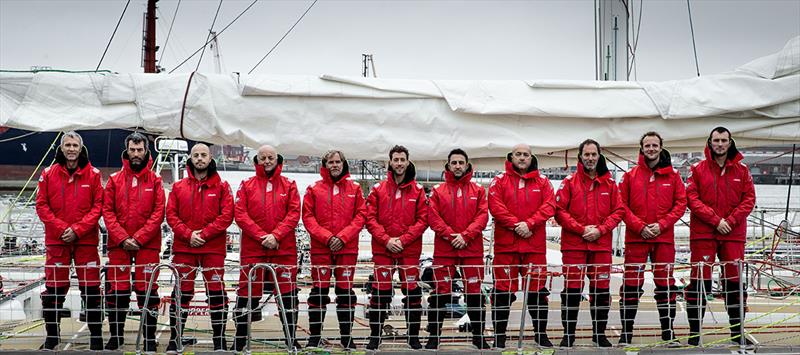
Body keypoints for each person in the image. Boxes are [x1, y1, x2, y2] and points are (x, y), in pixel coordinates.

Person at [685, 127, 756, 346]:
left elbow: (749, 199)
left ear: (730, 142)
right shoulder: (697, 169)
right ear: (710, 142)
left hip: (733, 235)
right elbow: (692, 198)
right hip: (704, 234)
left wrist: (730, 221)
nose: (720, 144)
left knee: (734, 284)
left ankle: (737, 332)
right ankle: (695, 334)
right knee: (699, 283)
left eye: (724, 140)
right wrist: (716, 220)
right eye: (716, 140)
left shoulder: (742, 171)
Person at [36, 131, 104, 350]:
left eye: (75, 145)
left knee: (91, 290)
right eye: (68, 145)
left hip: (86, 241)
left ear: (81, 148)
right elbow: (41, 205)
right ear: (62, 148)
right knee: (54, 290)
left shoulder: (93, 175)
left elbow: (98, 207)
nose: (71, 149)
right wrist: (62, 228)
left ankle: (96, 337)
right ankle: (52, 337)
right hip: (57, 241)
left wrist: (77, 229)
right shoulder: (48, 174)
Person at [618, 131, 686, 346]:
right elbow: (621, 206)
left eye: (654, 145)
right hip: (636, 239)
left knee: (666, 285)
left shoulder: (673, 176)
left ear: (661, 147)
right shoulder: (630, 176)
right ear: (641, 148)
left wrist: (662, 225)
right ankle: (626, 334)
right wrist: (640, 227)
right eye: (647, 145)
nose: (651, 149)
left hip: (663, 239)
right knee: (630, 286)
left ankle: (668, 332)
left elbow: (680, 204)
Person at [555, 139, 625, 348]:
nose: (590, 158)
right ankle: (568, 335)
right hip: (574, 245)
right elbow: (559, 211)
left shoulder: (610, 184)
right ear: (580, 156)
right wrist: (581, 229)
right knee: (572, 291)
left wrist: (601, 230)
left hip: (601, 246)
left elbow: (619, 211)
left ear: (599, 156)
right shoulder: (568, 182)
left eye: (594, 154)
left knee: (601, 291)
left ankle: (599, 334)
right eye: (586, 154)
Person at [232, 145, 302, 351]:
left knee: (288, 296)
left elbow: (293, 213)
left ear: (277, 159)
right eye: (263, 157)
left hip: (284, 249)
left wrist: (276, 235)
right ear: (257, 160)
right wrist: (262, 236)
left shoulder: (289, 185)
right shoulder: (246, 185)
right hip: (254, 249)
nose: (267, 161)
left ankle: (292, 338)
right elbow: (240, 214)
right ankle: (240, 338)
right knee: (247, 295)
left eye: (270, 157)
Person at [165, 143, 234, 352]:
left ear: (210, 158)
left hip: (212, 248)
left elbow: (226, 215)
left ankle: (219, 340)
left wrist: (203, 235)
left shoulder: (222, 187)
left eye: (203, 155)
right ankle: (175, 338)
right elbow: (171, 215)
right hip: (185, 248)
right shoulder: (178, 187)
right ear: (191, 158)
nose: (200, 159)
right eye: (196, 155)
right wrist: (188, 235)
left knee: (216, 293)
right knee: (182, 294)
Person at [487, 143, 556, 349]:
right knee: (502, 293)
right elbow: (495, 206)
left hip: (534, 247)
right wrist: (517, 225)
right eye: (518, 154)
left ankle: (540, 334)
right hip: (506, 247)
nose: (522, 158)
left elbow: (550, 205)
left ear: (531, 157)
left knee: (537, 292)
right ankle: (500, 336)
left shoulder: (543, 182)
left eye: (526, 154)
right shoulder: (499, 181)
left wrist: (530, 224)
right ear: (511, 157)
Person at [102, 132, 165, 351]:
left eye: (139, 150)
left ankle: (149, 338)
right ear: (126, 151)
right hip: (119, 246)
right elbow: (107, 212)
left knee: (147, 291)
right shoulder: (113, 180)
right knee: (117, 291)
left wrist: (138, 238)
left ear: (146, 151)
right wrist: (122, 238)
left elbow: (158, 213)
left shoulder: (156, 181)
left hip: (147, 245)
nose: (136, 154)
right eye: (132, 150)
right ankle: (116, 337)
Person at [365, 145, 428, 350]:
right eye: (396, 159)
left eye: (402, 159)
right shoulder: (378, 190)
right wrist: (386, 240)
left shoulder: (418, 191)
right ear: (390, 162)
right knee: (380, 293)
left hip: (408, 251)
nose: (399, 163)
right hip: (384, 250)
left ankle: (413, 337)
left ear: (408, 162)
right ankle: (375, 336)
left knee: (412, 294)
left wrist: (403, 240)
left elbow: (423, 220)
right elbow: (370, 218)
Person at [302, 150, 366, 350]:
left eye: (338, 162)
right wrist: (328, 237)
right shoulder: (314, 189)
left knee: (345, 293)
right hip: (321, 248)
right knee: (318, 293)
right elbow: (308, 217)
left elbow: (361, 216)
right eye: (331, 162)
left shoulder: (355, 189)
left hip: (347, 249)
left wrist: (343, 237)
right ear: (325, 165)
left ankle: (346, 338)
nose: (335, 165)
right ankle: (315, 337)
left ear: (343, 164)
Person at [427, 148, 490, 350]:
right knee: (440, 293)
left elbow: (482, 217)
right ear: (448, 165)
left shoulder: (478, 190)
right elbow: (432, 217)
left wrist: (466, 236)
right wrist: (450, 235)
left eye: (460, 162)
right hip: (445, 250)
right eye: (453, 163)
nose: (457, 166)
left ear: (467, 165)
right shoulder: (438, 191)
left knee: (474, 293)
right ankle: (433, 336)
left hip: (471, 249)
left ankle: (478, 336)